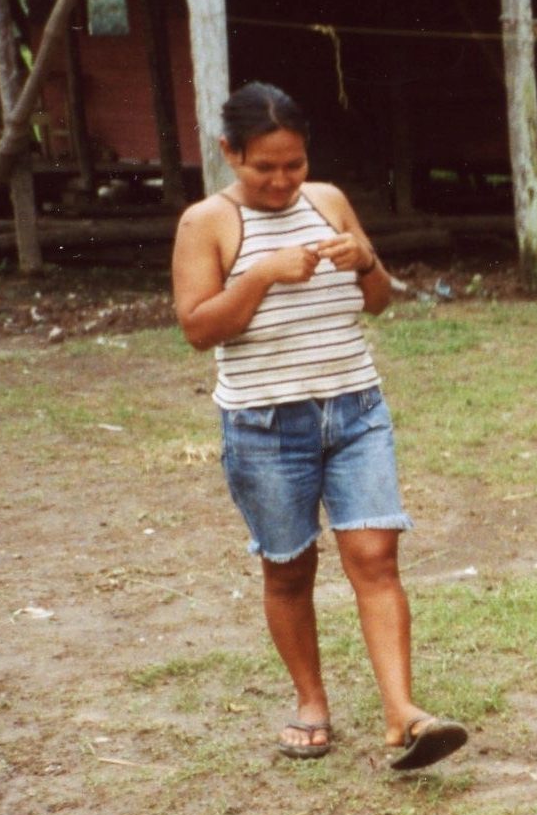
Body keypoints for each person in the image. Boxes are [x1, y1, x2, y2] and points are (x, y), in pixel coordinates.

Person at [171, 82, 467, 771]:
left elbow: (379, 301)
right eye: (263, 167)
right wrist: (263, 276)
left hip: (355, 409)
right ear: (229, 152)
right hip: (267, 424)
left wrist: (366, 262)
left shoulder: (328, 201)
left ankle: (403, 716)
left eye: (293, 165)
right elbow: (196, 327)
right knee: (289, 569)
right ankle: (311, 702)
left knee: (375, 558)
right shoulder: (205, 223)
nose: (281, 181)